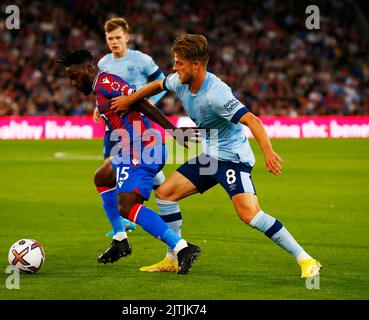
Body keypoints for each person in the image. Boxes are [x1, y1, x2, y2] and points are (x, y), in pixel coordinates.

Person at [111, 34, 323, 278]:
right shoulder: (180, 81)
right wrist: (130, 99)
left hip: (233, 158)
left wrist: (268, 152)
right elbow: (157, 85)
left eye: (179, 63)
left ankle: (305, 259)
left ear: (196, 65)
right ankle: (172, 257)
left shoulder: (216, 93)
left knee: (250, 215)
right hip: (210, 157)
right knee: (165, 194)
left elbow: (251, 120)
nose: (174, 67)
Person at [56, 49, 200, 275]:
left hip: (143, 148)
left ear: (87, 69)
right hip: (130, 148)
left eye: (74, 77)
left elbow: (140, 102)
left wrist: (174, 131)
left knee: (127, 206)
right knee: (103, 176)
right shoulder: (98, 88)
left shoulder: (105, 82)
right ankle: (120, 239)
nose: (73, 83)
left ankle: (183, 248)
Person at [96, 19, 181, 272]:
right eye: (110, 38)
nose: (114, 42)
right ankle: (122, 229)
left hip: (140, 126)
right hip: (115, 129)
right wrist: (95, 108)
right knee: (110, 172)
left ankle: (144, 214)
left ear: (127, 37)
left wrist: (147, 102)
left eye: (118, 37)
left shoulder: (141, 60)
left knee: (142, 174)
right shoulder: (103, 63)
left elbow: (161, 80)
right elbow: (101, 93)